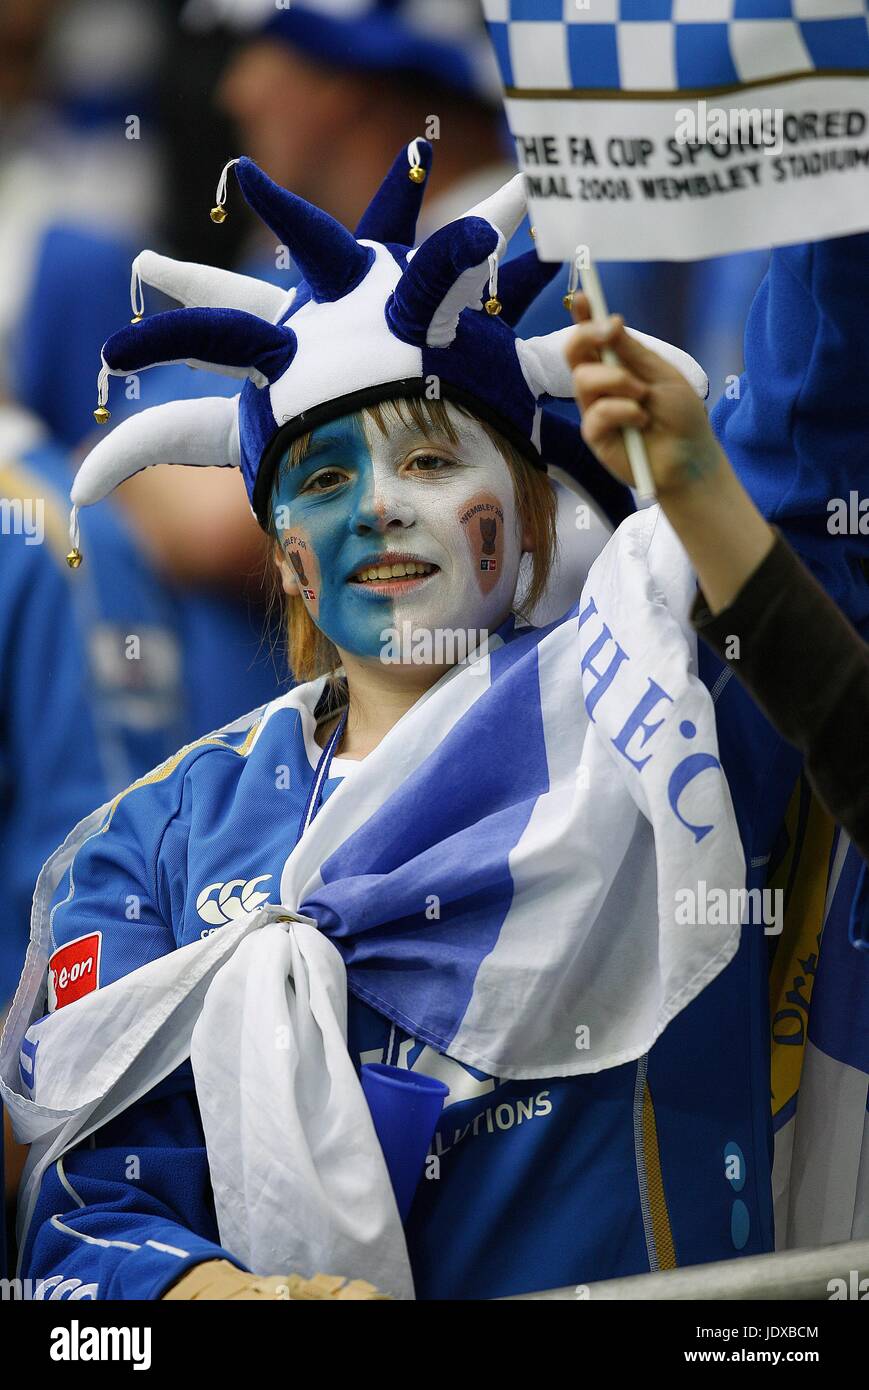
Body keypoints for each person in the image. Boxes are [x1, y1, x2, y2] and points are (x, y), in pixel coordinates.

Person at [0, 144, 855, 1300]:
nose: (382, 504)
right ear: (286, 558)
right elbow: (83, 1230)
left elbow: (814, 458)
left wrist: (832, 137)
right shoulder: (150, 843)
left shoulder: (669, 710)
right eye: (324, 479)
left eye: (430, 455)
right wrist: (225, 1300)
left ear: (531, 515)